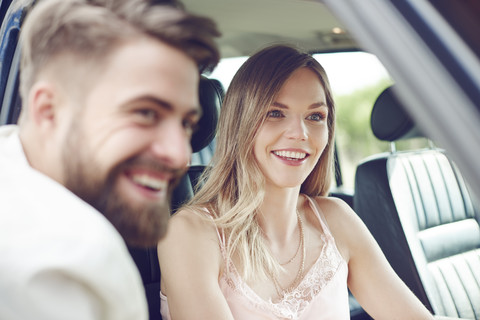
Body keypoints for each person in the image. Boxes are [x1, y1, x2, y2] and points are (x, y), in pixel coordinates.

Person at [157, 45, 434, 319]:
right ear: (241, 122)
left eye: (315, 116)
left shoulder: (336, 220)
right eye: (275, 113)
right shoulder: (190, 233)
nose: (300, 133)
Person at [0, 0, 219, 319]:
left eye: (186, 124)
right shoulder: (67, 262)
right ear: (48, 111)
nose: (180, 155)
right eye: (145, 113)